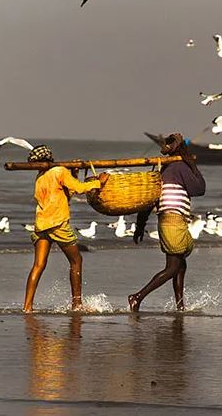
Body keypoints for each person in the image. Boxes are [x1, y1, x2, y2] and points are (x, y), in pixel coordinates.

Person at [22, 145, 109, 313]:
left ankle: (27, 307)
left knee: (38, 265)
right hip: (58, 224)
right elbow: (79, 188)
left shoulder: (40, 177)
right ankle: (77, 304)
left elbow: (66, 193)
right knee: (77, 261)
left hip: (41, 225)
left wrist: (74, 173)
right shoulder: (59, 171)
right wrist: (100, 182)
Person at [129, 133, 206, 312]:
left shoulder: (163, 170)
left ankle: (180, 306)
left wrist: (140, 226)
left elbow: (149, 203)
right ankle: (137, 297)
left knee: (180, 265)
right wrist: (193, 166)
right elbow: (199, 189)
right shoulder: (179, 166)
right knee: (173, 267)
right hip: (173, 221)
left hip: (168, 221)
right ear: (182, 149)